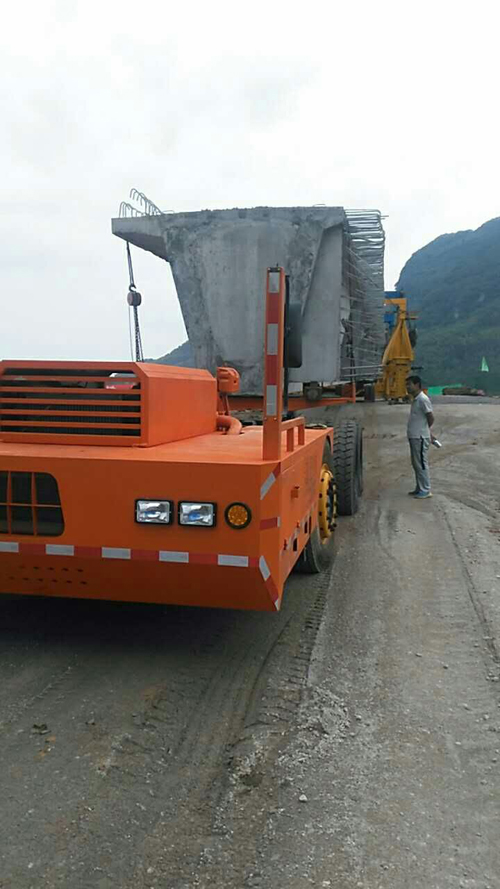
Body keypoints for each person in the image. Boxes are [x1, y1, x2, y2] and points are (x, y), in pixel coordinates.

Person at [406, 375, 435, 499]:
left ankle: (426, 490)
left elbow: (430, 417)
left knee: (422, 464)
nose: (407, 387)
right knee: (416, 464)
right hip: (415, 436)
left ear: (417, 385)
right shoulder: (416, 399)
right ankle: (419, 488)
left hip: (420, 437)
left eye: (409, 384)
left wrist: (426, 430)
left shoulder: (423, 399)